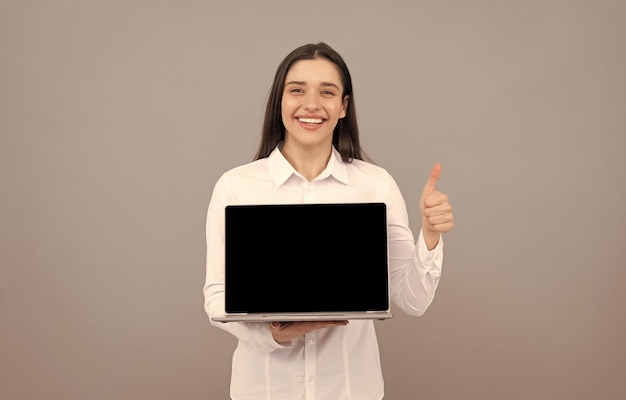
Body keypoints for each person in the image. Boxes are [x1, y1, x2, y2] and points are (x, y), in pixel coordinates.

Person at [204, 42, 454, 400]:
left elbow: (413, 300)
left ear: (343, 107)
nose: (311, 104)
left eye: (327, 92)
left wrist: (429, 235)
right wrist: (275, 334)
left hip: (351, 389)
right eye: (297, 90)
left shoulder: (375, 184)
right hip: (265, 389)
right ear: (280, 102)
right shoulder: (236, 186)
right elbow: (216, 297)